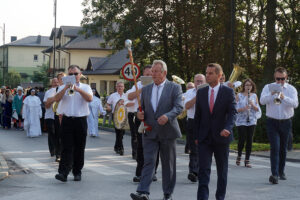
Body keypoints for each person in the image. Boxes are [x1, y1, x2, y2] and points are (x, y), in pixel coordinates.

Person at [130, 60, 183, 200]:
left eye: (156, 71)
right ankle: (143, 192)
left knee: (168, 164)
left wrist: (168, 116)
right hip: (150, 130)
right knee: (149, 161)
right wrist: (139, 114)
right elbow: (142, 109)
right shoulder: (146, 89)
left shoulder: (174, 88)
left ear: (164, 73)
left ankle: (167, 193)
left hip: (168, 131)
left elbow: (178, 107)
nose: (153, 74)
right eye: (152, 71)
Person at [194, 63, 236, 200]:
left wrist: (228, 128)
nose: (207, 75)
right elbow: (198, 116)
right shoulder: (201, 92)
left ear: (219, 75)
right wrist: (196, 136)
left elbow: (232, 113)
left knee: (222, 171)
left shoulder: (228, 92)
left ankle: (220, 197)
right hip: (204, 138)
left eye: (210, 73)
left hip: (222, 137)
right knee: (203, 171)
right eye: (206, 73)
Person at [260, 67, 298, 184]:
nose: (280, 81)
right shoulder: (268, 87)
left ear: (286, 78)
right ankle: (274, 174)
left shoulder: (291, 89)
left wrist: (283, 97)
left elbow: (295, 104)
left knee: (283, 149)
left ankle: (281, 171)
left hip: (286, 122)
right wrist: (272, 95)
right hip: (272, 121)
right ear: (274, 78)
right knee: (275, 148)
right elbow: (262, 101)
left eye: (282, 79)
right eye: (278, 79)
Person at [54, 65, 92, 182]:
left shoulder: (85, 87)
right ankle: (63, 173)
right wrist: (66, 88)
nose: (73, 76)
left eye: (75, 73)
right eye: (70, 74)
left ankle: (77, 171)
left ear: (80, 75)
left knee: (79, 147)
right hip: (67, 120)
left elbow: (89, 99)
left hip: (80, 120)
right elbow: (57, 99)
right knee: (66, 147)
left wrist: (77, 89)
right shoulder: (62, 87)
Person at [126, 65, 159, 183]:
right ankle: (139, 173)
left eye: (151, 74)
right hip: (140, 117)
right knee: (141, 146)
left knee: (155, 146)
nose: (150, 76)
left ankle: (153, 172)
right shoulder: (138, 85)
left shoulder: (158, 85)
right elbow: (129, 97)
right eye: (147, 75)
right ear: (142, 76)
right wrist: (142, 89)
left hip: (154, 119)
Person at [184, 74, 206, 182]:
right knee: (193, 148)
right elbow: (187, 106)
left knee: (203, 149)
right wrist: (197, 96)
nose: (199, 83)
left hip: (204, 122)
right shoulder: (189, 92)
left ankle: (201, 171)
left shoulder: (209, 92)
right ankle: (192, 172)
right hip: (192, 122)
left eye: (201, 81)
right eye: (197, 81)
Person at [235, 78, 261, 168]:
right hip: (241, 120)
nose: (248, 87)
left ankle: (247, 160)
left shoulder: (254, 96)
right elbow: (235, 110)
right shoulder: (239, 95)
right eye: (246, 85)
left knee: (249, 140)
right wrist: (244, 108)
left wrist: (252, 105)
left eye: (250, 85)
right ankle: (239, 155)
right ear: (244, 86)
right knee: (242, 139)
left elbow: (258, 109)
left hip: (252, 120)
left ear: (252, 86)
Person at [106, 80, 126, 155]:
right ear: (116, 87)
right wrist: (108, 108)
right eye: (118, 86)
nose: (120, 88)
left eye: (121, 86)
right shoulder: (113, 95)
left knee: (121, 133)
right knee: (118, 132)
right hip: (115, 115)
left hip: (124, 116)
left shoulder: (126, 95)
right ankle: (121, 149)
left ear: (124, 87)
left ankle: (116, 146)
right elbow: (107, 104)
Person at [44, 78, 60, 161]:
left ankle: (58, 152)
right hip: (50, 116)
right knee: (52, 133)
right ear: (51, 83)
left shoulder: (61, 90)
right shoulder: (48, 92)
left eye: (57, 82)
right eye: (54, 82)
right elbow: (46, 106)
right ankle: (52, 150)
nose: (56, 83)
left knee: (58, 134)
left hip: (58, 116)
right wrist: (53, 99)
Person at [183, 81, 195, 154]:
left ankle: (189, 148)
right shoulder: (183, 95)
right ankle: (188, 148)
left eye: (192, 87)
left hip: (192, 117)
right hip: (185, 116)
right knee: (188, 133)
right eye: (189, 87)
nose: (190, 88)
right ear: (187, 88)